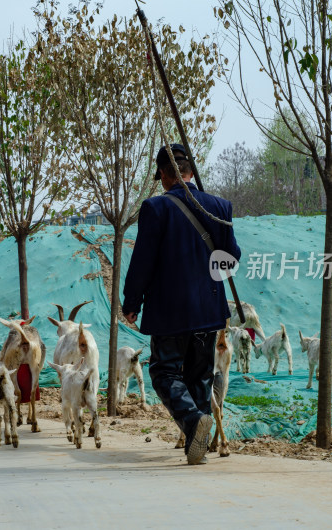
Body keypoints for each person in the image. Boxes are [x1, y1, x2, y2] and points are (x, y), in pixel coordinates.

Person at [122, 144, 241, 465]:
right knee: (200, 376)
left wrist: (131, 301)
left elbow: (143, 261)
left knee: (163, 371)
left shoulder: (155, 208)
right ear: (191, 170)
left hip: (170, 313)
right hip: (209, 310)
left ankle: (192, 421)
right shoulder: (219, 206)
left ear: (163, 174)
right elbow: (231, 258)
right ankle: (196, 446)